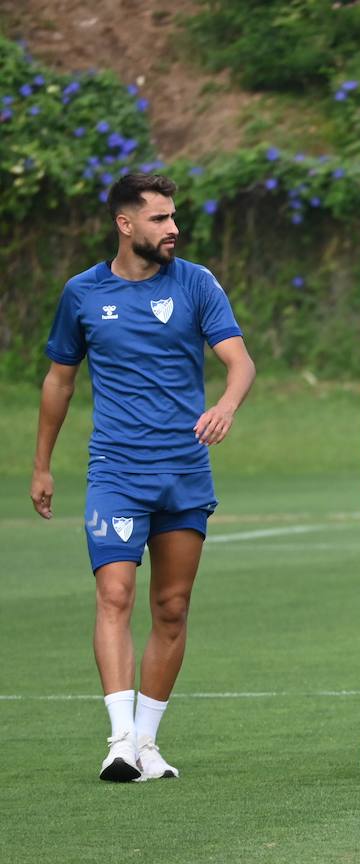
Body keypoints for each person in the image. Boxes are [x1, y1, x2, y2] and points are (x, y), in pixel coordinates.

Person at [31, 172, 256, 782]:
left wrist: (226, 406)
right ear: (125, 225)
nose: (173, 228)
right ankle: (120, 739)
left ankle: (149, 744)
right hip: (116, 471)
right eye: (159, 219)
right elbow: (59, 381)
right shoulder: (82, 294)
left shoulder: (197, 283)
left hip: (184, 470)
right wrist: (43, 464)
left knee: (173, 606)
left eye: (174, 217)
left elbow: (239, 360)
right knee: (115, 595)